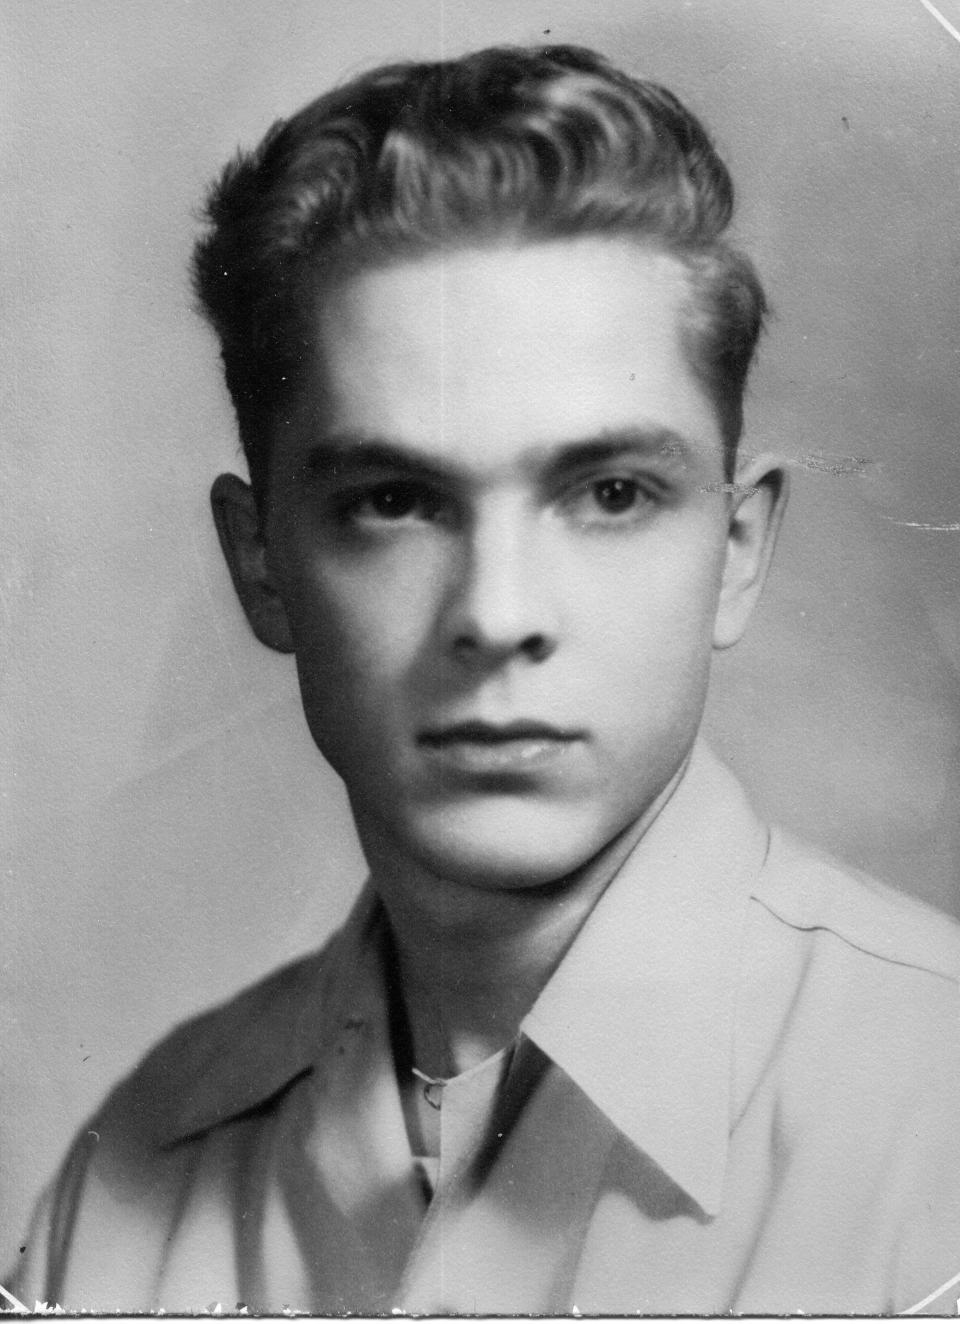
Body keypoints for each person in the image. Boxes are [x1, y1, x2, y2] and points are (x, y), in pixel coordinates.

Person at [6, 44, 960, 1316]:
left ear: (737, 553)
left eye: (610, 494)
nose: (498, 616)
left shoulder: (934, 1117)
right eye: (394, 502)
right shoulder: (128, 1177)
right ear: (263, 564)